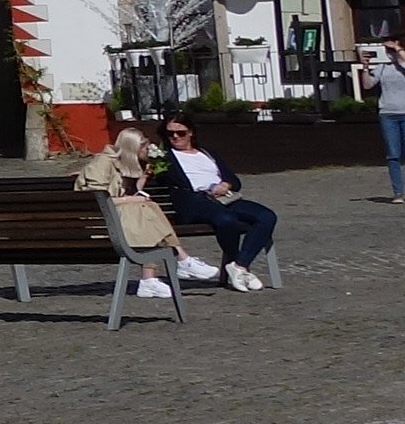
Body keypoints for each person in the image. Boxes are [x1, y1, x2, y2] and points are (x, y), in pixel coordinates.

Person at [151, 116, 275, 291]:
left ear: (191, 133)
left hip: (223, 198)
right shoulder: (164, 158)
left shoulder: (207, 153)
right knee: (226, 220)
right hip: (194, 200)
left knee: (266, 216)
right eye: (170, 133)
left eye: (181, 133)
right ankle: (237, 265)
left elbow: (234, 179)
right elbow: (159, 177)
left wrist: (226, 184)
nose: (176, 137)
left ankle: (239, 266)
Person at [77, 126, 182, 300]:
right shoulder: (103, 162)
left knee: (147, 209)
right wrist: (132, 200)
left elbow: (130, 193)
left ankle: (153, 277)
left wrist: (144, 176)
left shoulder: (123, 164)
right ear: (132, 148)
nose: (147, 150)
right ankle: (180, 259)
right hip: (97, 221)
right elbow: (97, 199)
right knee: (144, 209)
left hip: (114, 216)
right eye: (143, 147)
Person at [370, 40, 405, 202]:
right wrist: (366, 67)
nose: (390, 53)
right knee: (393, 155)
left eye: (392, 50)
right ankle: (398, 193)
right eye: (388, 50)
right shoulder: (382, 68)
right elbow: (368, 84)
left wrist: (398, 48)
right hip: (388, 114)